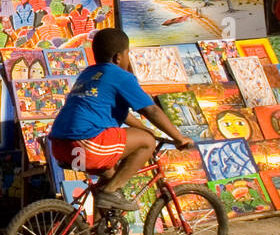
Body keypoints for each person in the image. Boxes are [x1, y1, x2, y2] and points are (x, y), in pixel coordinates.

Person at [48, 27, 193, 212]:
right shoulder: (120, 76)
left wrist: (146, 130)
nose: (128, 59)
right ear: (118, 57)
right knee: (146, 143)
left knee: (109, 180)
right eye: (128, 54)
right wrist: (179, 137)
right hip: (86, 144)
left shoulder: (88, 74)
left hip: (60, 147)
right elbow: (152, 110)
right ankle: (109, 192)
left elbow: (121, 113)